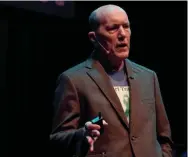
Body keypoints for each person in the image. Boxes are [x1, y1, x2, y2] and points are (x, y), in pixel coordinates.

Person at [49, 4, 173, 157]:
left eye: (126, 27)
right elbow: (58, 139)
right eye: (112, 28)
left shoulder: (148, 77)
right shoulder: (73, 80)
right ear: (93, 38)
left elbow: (164, 136)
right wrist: (82, 135)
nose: (122, 34)